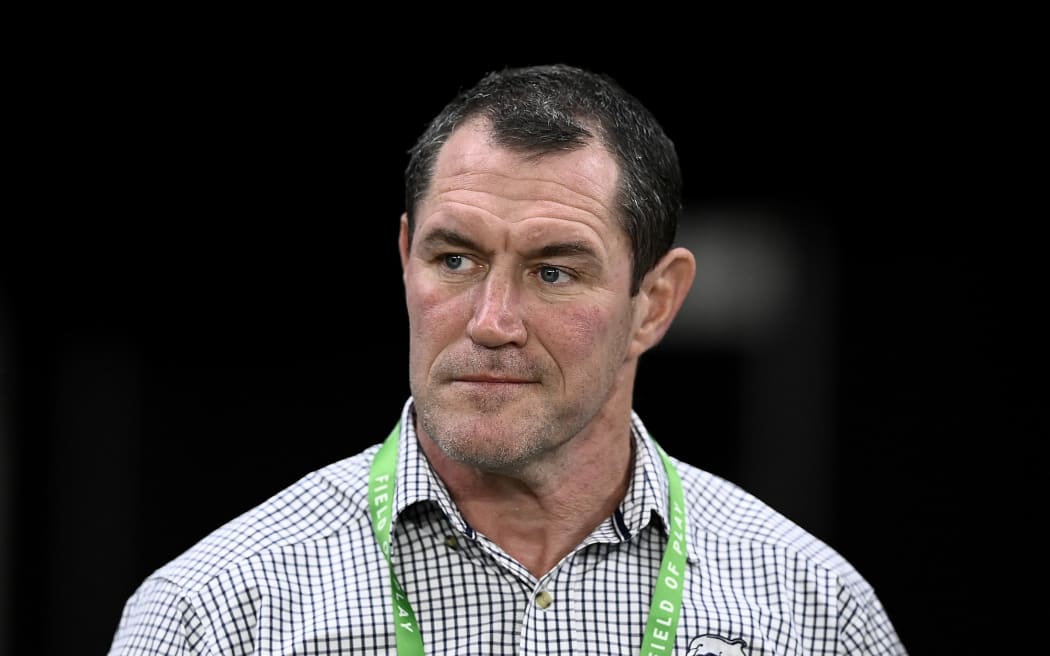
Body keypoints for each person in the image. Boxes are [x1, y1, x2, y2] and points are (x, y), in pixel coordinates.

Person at [108, 63, 907, 655]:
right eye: (454, 260)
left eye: (553, 272)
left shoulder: (815, 612)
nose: (491, 322)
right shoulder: (217, 612)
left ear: (654, 304)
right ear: (405, 260)